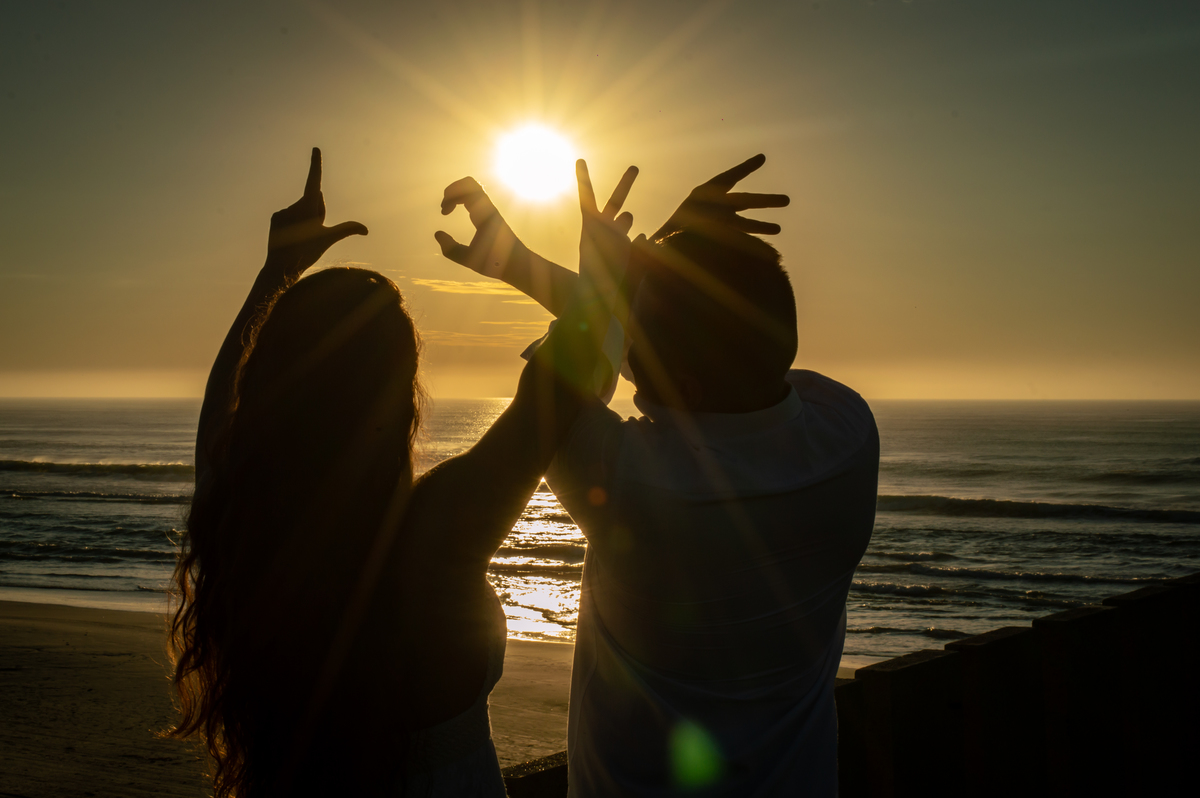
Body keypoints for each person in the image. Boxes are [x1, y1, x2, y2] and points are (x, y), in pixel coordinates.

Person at [168, 148, 638, 797]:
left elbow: (223, 412)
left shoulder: (245, 521)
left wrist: (276, 272)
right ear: (401, 396)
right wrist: (598, 272)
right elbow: (559, 385)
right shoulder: (435, 531)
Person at [436, 155, 879, 797]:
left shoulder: (629, 482)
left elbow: (578, 368)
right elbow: (698, 344)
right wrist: (668, 258)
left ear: (686, 384)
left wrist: (562, 270)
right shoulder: (847, 432)